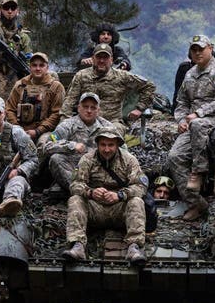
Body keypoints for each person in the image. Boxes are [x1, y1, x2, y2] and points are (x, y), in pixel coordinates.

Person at [167, 35, 215, 221]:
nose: (197, 53)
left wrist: (198, 113)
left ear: (210, 48)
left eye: (201, 49)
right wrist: (181, 120)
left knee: (197, 124)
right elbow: (181, 102)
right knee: (174, 156)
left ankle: (198, 171)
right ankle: (196, 203)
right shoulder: (190, 74)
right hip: (193, 121)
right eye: (194, 49)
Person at [61, 127, 148, 263]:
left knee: (136, 201)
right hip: (95, 209)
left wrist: (120, 195)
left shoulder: (129, 160)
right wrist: (90, 192)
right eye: (103, 145)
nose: (106, 149)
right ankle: (77, 245)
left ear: (117, 145)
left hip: (119, 209)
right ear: (98, 144)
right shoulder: (87, 159)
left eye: (111, 145)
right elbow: (75, 184)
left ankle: (134, 246)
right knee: (75, 199)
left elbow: (141, 186)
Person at [61, 43, 156, 136]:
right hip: (85, 121)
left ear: (111, 60)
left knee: (109, 137)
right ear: (93, 59)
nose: (102, 61)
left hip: (112, 122)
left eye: (105, 57)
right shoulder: (81, 76)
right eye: (99, 57)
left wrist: (139, 109)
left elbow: (149, 86)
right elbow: (69, 101)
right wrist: (65, 123)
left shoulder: (122, 76)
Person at [43, 92, 114, 192]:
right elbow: (47, 146)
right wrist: (71, 145)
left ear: (98, 110)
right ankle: (81, 191)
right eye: (85, 107)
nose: (89, 111)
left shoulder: (107, 127)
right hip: (75, 170)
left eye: (93, 108)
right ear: (79, 108)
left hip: (100, 168)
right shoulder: (67, 125)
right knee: (56, 158)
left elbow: (123, 150)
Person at [5, 52, 64, 147]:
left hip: (45, 131)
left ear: (47, 68)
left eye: (41, 65)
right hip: (20, 130)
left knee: (44, 145)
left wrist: (38, 131)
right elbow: (9, 109)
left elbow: (57, 114)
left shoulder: (56, 87)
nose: (38, 68)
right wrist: (18, 129)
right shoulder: (20, 85)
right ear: (30, 67)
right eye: (34, 65)